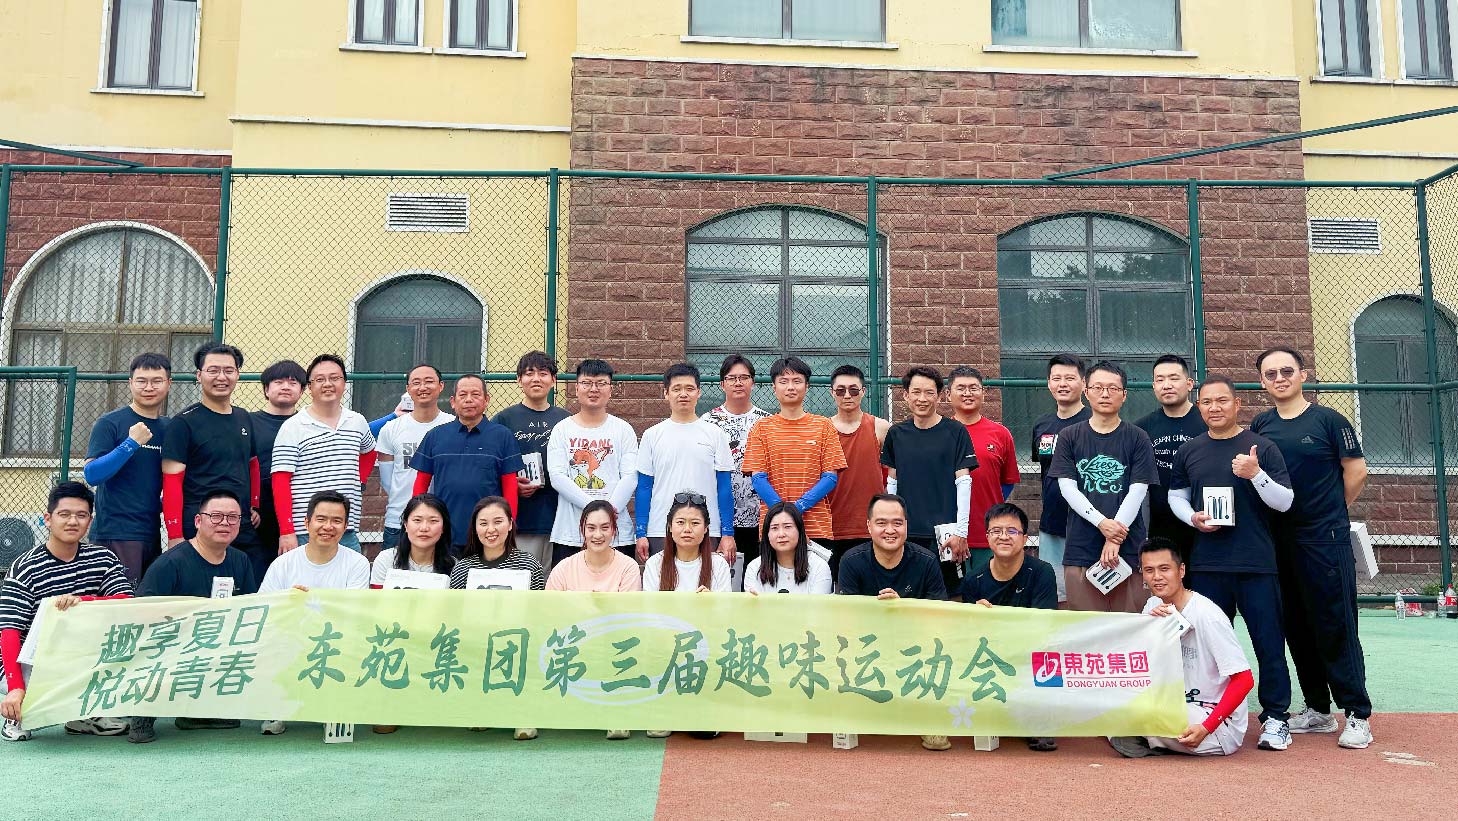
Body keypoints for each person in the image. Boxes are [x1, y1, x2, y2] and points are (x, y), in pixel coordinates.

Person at [1249, 346, 1373, 749]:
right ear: (1262, 382)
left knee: (1336, 624)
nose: (1280, 378)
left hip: (1324, 540)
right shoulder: (1261, 425)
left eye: (1287, 371)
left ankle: (1357, 713)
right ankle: (1319, 710)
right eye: (1271, 374)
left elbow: (1356, 471)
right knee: (1296, 626)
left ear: (1303, 375)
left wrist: (1331, 511)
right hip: (1278, 541)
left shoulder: (1330, 421)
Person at [1168, 374, 1295, 752]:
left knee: (1268, 643)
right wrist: (1192, 518)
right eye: (1207, 402)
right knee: (1202, 647)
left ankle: (1276, 717)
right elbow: (1176, 496)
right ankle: (1206, 710)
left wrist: (1256, 475)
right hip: (1208, 565)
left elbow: (1285, 502)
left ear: (1237, 404)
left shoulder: (1262, 447)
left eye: (1222, 400)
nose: (1214, 408)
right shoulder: (1190, 450)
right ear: (1199, 406)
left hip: (1256, 564)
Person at [1, 483, 133, 741]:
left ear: (90, 521)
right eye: (64, 514)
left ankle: (85, 714)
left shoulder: (103, 558)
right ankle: (17, 712)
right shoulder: (24, 568)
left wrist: (83, 601)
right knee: (28, 704)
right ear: (48, 519)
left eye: (81, 515)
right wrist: (15, 686)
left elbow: (126, 602)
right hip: (28, 660)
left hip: (78, 653)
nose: (73, 521)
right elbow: (9, 632)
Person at [130, 490, 259, 743]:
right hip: (169, 642)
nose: (225, 523)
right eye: (216, 516)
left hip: (214, 641)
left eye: (233, 517)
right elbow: (141, 614)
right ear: (198, 521)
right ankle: (143, 713)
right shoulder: (170, 563)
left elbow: (249, 610)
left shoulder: (241, 561)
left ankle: (197, 712)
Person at [1109, 538, 1253, 758]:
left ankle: (1145, 738)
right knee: (1111, 696)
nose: (1157, 577)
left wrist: (1207, 726)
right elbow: (1142, 665)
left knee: (1136, 715)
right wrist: (1149, 628)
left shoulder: (1208, 616)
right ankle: (1148, 738)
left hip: (1212, 720)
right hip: (1174, 702)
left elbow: (1244, 679)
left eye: (1164, 569)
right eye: (1149, 570)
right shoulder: (1152, 605)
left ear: (1181, 570)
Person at [835, 494, 947, 751]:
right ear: (868, 526)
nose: (890, 530)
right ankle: (849, 714)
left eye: (897, 523)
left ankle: (931, 718)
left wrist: (902, 611)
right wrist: (880, 614)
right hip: (867, 644)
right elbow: (846, 618)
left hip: (915, 644)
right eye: (881, 523)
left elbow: (940, 615)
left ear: (906, 525)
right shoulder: (851, 561)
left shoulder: (927, 561)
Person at [257, 490, 371, 736]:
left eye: (337, 520)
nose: (328, 526)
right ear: (307, 522)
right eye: (321, 519)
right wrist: (289, 604)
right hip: (291, 638)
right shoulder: (283, 563)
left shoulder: (357, 563)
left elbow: (354, 611)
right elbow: (263, 610)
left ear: (345, 526)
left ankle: (334, 707)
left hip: (336, 639)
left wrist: (307, 603)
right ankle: (277, 707)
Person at [1049, 360, 1158, 613]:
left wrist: (1115, 537)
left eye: (1113, 388)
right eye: (1098, 387)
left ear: (1124, 395)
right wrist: (1101, 523)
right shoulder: (1069, 436)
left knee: (1130, 622)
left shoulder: (1138, 437)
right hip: (1081, 546)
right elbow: (1068, 489)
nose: (1105, 394)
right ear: (1086, 392)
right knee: (1086, 625)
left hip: (1129, 548)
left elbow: (1138, 491)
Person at [961, 502, 1057, 752]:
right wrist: (976, 619)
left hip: (1030, 651)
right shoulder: (973, 579)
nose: (1004, 536)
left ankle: (1041, 721)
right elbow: (968, 635)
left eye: (1012, 531)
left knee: (1050, 654)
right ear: (987, 537)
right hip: (991, 654)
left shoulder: (1042, 572)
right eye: (996, 531)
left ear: (1025, 538)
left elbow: (1044, 626)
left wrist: (995, 621)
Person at [546, 500, 643, 741]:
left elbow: (627, 617)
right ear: (582, 530)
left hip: (613, 645)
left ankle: (617, 713)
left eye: (604, 528)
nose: (597, 535)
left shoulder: (629, 567)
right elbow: (549, 614)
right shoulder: (563, 568)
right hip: (572, 644)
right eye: (591, 528)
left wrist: (583, 607)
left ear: (614, 530)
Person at [449, 496, 544, 741]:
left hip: (518, 642)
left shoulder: (529, 564)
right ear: (475, 528)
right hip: (476, 643)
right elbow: (456, 615)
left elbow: (539, 613)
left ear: (510, 524)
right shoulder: (463, 568)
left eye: (498, 522)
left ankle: (524, 712)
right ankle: (481, 707)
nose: (490, 529)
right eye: (483, 523)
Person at [878, 367, 977, 590]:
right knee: (906, 593)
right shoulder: (896, 434)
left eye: (929, 392)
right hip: (907, 533)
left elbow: (964, 482)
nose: (922, 399)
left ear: (939, 396)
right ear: (906, 395)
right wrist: (891, 525)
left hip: (946, 535)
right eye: (916, 392)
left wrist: (961, 532)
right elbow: (891, 484)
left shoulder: (956, 432)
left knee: (951, 595)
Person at [161, 342, 261, 557]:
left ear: (237, 374)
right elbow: (171, 482)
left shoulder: (244, 417)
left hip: (240, 524)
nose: (221, 377)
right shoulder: (182, 423)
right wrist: (175, 534)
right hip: (201, 527)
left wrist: (254, 504)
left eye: (228, 370)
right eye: (213, 370)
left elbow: (252, 464)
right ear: (199, 375)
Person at [271, 354, 377, 554]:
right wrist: (286, 531)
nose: (328, 384)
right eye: (320, 379)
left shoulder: (357, 421)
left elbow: (369, 452)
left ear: (344, 383)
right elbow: (280, 480)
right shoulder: (293, 427)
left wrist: (360, 480)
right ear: (310, 387)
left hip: (346, 529)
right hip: (306, 531)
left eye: (334, 378)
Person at [84, 352, 172, 584]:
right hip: (115, 533)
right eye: (142, 381)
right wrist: (130, 443)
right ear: (130, 383)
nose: (149, 387)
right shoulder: (110, 422)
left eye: (156, 381)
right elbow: (92, 474)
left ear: (168, 383)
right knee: (119, 599)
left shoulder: (170, 427)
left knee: (146, 600)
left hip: (152, 532)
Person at [410, 374, 523, 554]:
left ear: (486, 400)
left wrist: (510, 523)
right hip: (444, 532)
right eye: (463, 395)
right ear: (453, 402)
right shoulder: (435, 436)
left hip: (489, 533)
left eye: (475, 394)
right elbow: (421, 483)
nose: (469, 400)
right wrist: (418, 517)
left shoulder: (503, 436)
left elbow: (510, 485)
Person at [634, 363, 735, 564]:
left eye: (689, 388)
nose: (683, 394)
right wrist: (641, 532)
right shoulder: (652, 435)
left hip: (706, 529)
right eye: (676, 389)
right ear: (666, 393)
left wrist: (727, 533)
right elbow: (644, 487)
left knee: (705, 582)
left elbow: (724, 487)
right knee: (664, 582)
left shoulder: (715, 434)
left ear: (698, 392)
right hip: (660, 529)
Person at [741, 357, 847, 546]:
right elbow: (758, 479)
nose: (790, 387)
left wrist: (797, 508)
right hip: (774, 529)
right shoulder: (761, 428)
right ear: (774, 388)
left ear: (807, 386)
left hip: (816, 528)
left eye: (797, 381)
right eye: (784, 381)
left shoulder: (824, 426)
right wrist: (783, 514)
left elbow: (830, 478)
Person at [546, 360, 637, 563]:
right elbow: (558, 477)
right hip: (570, 533)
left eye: (601, 383)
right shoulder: (562, 430)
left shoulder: (623, 429)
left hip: (616, 533)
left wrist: (609, 512)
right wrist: (595, 509)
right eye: (587, 383)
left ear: (610, 389)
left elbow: (630, 477)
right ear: (576, 388)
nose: (593, 389)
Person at [493, 351, 570, 572]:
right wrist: (510, 485)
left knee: (555, 581)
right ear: (519, 380)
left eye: (543, 373)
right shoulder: (503, 419)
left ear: (553, 380)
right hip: (521, 520)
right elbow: (490, 466)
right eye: (529, 373)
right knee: (521, 579)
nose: (536, 379)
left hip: (560, 519)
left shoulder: (566, 420)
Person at [1029, 354, 1092, 604]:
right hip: (1052, 524)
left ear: (1083, 383)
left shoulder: (1094, 421)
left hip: (1088, 526)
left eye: (1069, 378)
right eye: (1057, 378)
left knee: (1089, 596)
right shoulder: (1042, 424)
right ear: (1048, 383)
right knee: (1057, 595)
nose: (1062, 384)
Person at [700, 354, 772, 571]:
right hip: (718, 519)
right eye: (732, 378)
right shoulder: (708, 422)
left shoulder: (766, 421)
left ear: (753, 382)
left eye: (744, 377)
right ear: (722, 384)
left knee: (757, 575)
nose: (738, 383)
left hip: (759, 517)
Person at [947, 366, 1020, 581]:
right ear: (948, 394)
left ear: (983, 393)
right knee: (952, 594)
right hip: (949, 533)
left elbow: (1007, 482)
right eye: (961, 388)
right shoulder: (940, 432)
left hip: (987, 534)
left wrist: (989, 507)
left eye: (973, 388)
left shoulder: (1000, 433)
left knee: (987, 592)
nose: (967, 393)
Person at [1134, 354, 1207, 560]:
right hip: (1160, 527)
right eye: (1160, 379)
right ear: (1153, 386)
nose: (1167, 385)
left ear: (1189, 383)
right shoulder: (1142, 429)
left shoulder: (1208, 423)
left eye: (1174, 378)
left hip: (1205, 524)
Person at [376, 364, 455, 551]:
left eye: (429, 381)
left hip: (444, 520)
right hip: (399, 520)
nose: (423, 387)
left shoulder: (454, 425)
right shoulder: (391, 429)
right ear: (408, 388)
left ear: (441, 386)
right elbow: (388, 481)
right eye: (416, 382)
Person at [823, 365, 891, 578]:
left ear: (863, 392)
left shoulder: (880, 428)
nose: (847, 395)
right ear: (832, 393)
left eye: (853, 390)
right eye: (840, 390)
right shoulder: (822, 429)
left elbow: (893, 476)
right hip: (830, 526)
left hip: (870, 526)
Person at [250, 360, 307, 581]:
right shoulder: (248, 422)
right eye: (278, 382)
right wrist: (249, 506)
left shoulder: (308, 423)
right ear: (266, 389)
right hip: (258, 516)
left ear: (302, 390)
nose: (285, 387)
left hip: (299, 514)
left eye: (293, 382)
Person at [642, 494, 734, 593]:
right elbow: (650, 602)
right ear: (670, 527)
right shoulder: (654, 564)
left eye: (695, 523)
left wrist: (710, 599)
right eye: (680, 522)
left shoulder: (719, 565)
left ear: (705, 528)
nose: (687, 529)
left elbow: (724, 602)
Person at [370, 494, 455, 589]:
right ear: (405, 525)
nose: (424, 528)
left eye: (433, 521)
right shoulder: (387, 560)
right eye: (417, 520)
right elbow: (377, 597)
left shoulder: (455, 567)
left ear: (443, 527)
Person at [745, 502, 832, 595]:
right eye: (774, 528)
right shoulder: (755, 568)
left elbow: (818, 604)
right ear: (767, 534)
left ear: (800, 531)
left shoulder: (818, 567)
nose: (781, 534)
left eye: (787, 527)